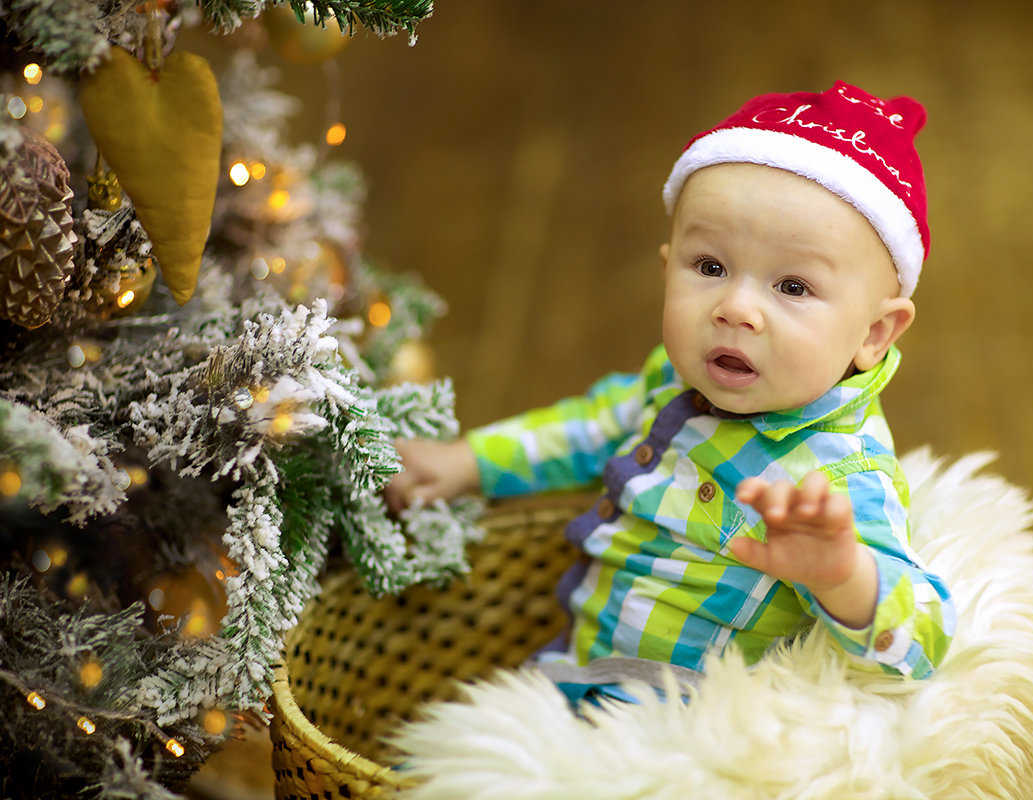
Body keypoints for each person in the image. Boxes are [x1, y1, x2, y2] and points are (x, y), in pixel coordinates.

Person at [385, 81, 955, 705]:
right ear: (666, 269)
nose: (736, 308)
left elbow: (923, 642)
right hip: (572, 670)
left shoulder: (838, 474)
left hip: (683, 729)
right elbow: (593, 427)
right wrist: (468, 462)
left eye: (792, 287)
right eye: (710, 268)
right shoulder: (677, 379)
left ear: (873, 333)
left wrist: (844, 575)